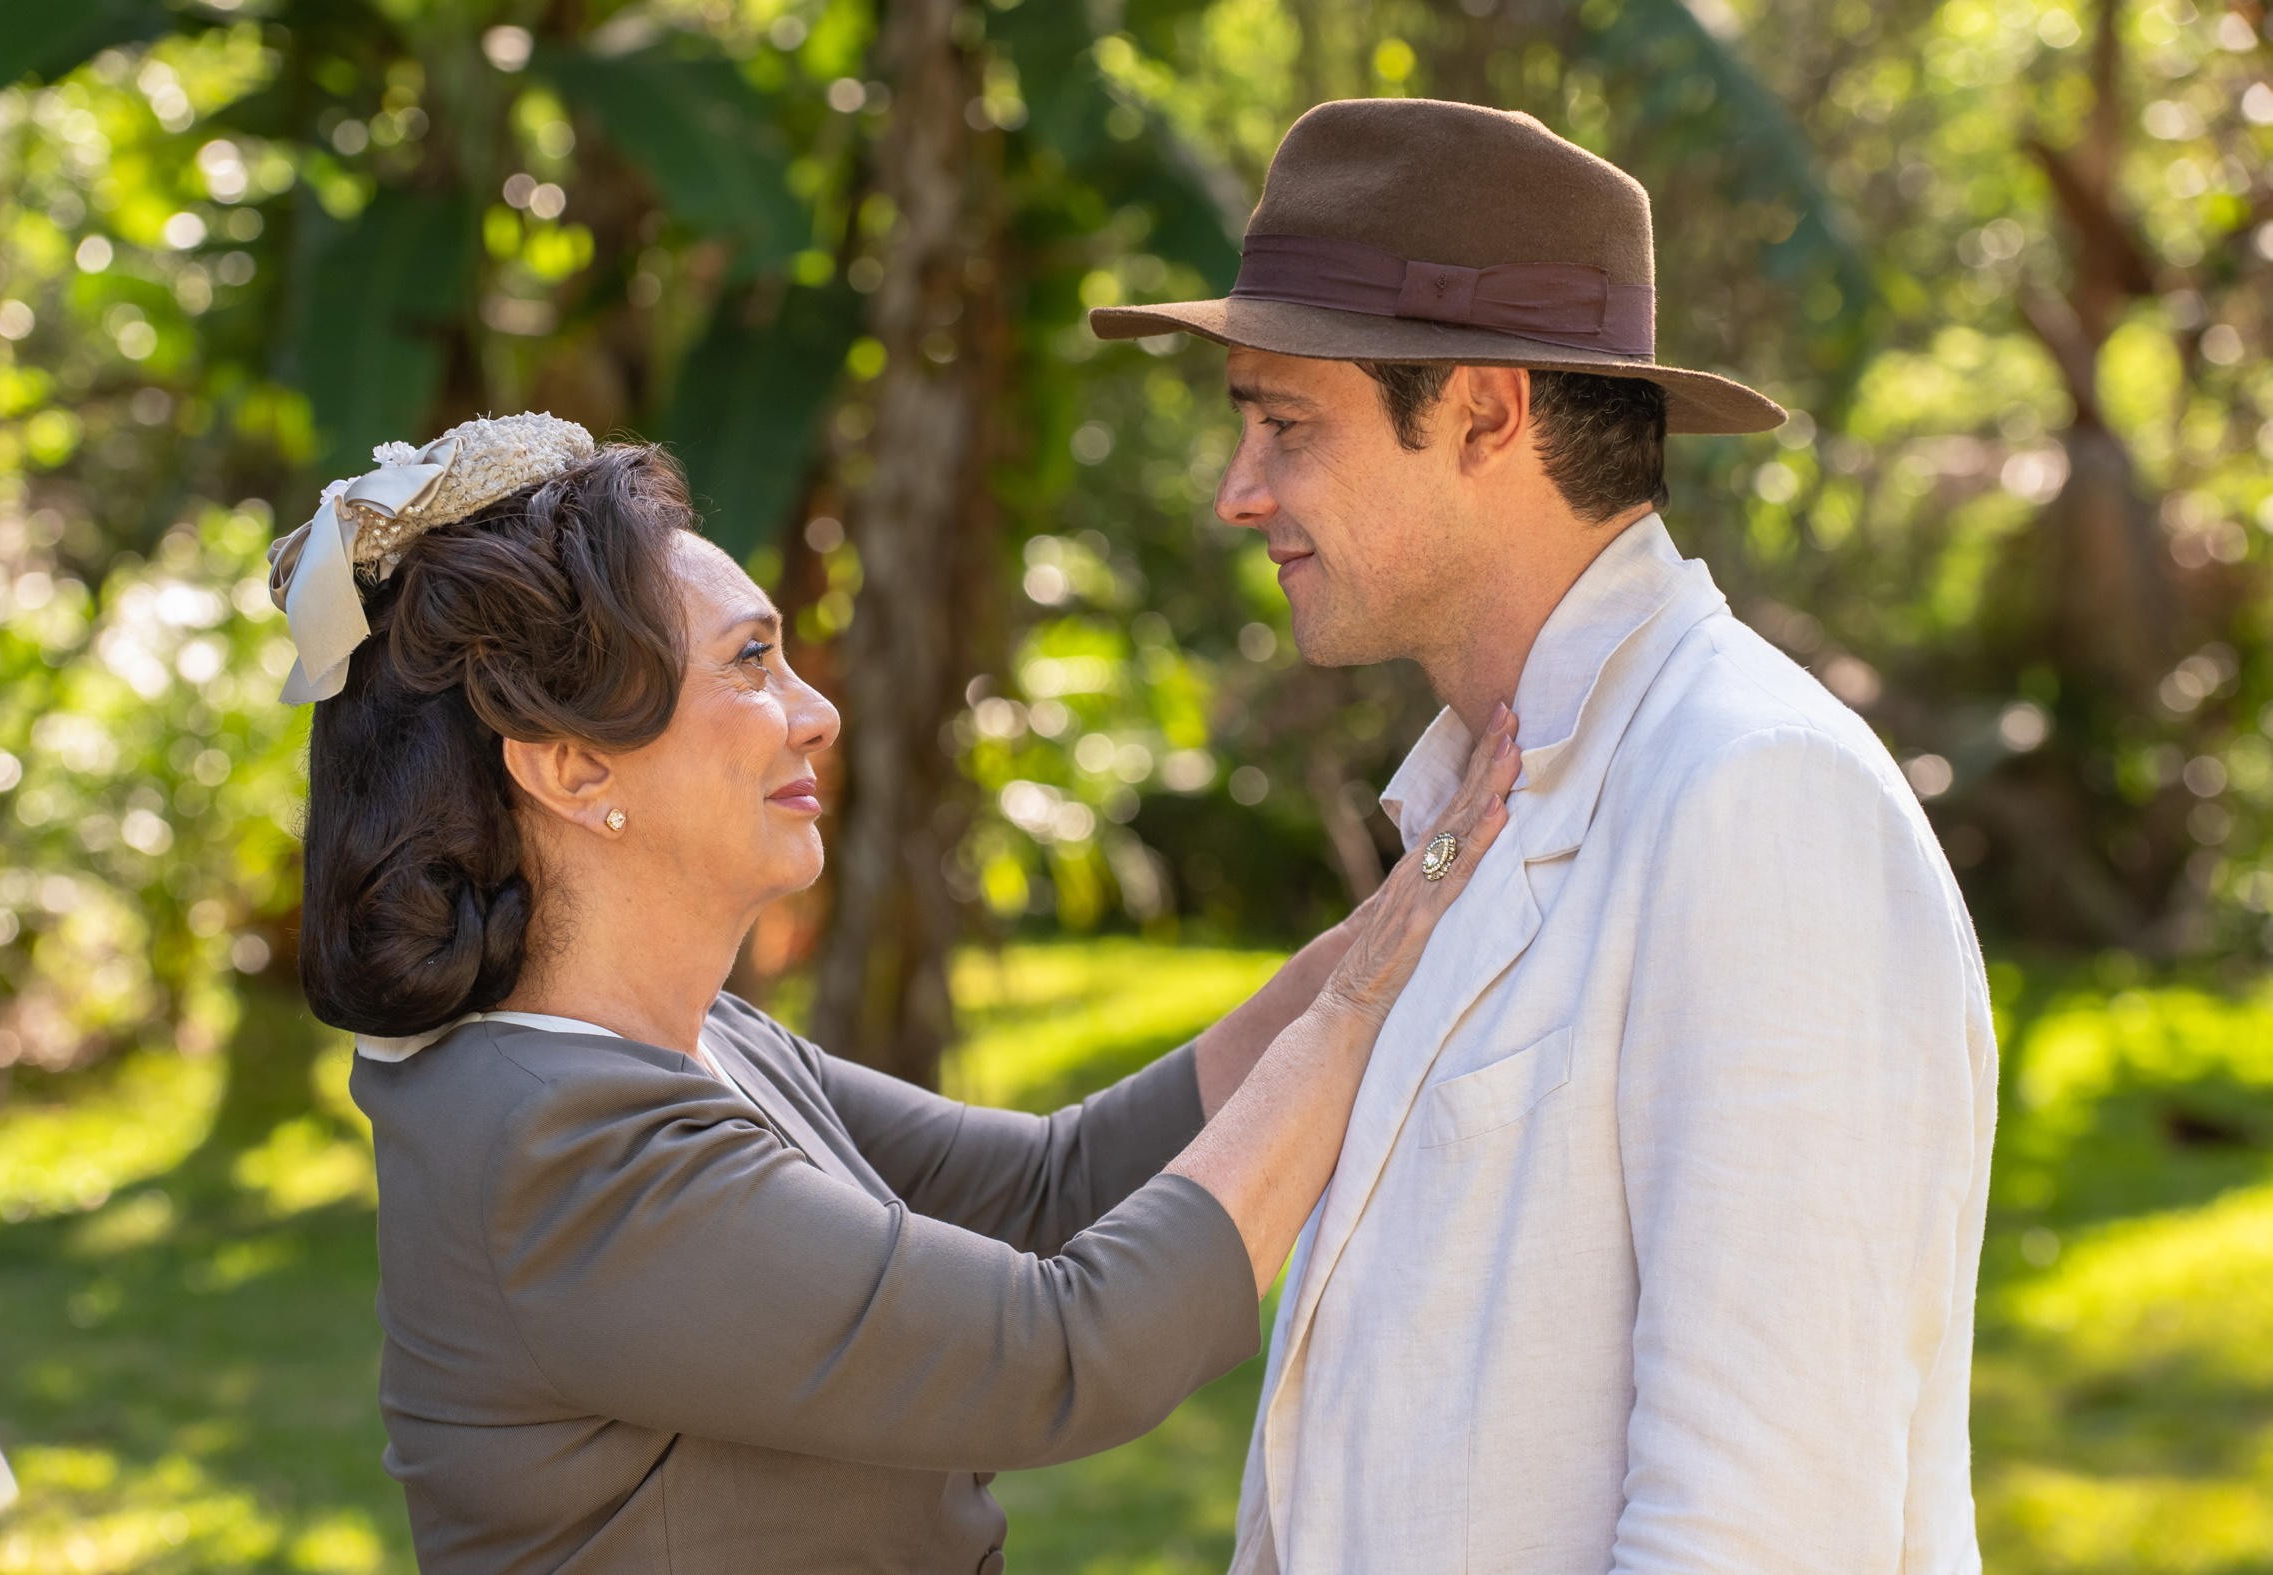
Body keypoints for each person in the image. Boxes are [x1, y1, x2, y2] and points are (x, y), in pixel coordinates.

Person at [263, 410, 1522, 1572]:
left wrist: (1413, 894)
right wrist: (1361, 1000)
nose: (815, 713)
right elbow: (1064, 1352)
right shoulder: (557, 1151)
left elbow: (1055, 1187)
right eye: (752, 664)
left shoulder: (693, 1046)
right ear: (574, 766)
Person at [1091, 99, 1998, 1574]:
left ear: (1486, 413)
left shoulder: (1753, 791)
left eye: (1284, 424)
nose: (1236, 489)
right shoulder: (1478, 794)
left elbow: (1761, 1523)